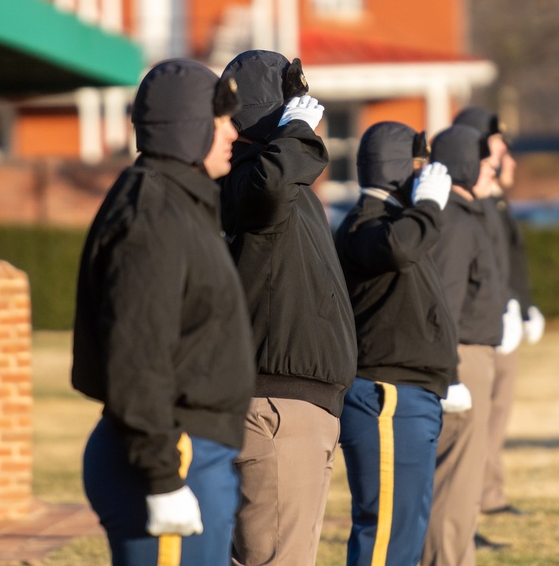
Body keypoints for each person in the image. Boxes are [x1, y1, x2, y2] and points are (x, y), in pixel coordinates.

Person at [72, 58, 255, 566]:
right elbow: (138, 351)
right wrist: (162, 477)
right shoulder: (153, 215)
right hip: (173, 455)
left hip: (192, 451)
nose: (233, 134)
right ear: (189, 126)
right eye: (221, 120)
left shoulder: (178, 202)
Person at [219, 50, 358, 566]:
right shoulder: (251, 178)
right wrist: (293, 133)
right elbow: (268, 188)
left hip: (300, 406)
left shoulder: (278, 181)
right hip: (277, 405)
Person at [333, 121, 461, 566]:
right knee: (386, 535)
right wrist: (426, 207)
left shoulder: (397, 224)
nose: (426, 175)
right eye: (419, 166)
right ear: (398, 169)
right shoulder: (365, 225)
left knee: (405, 531)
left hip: (410, 395)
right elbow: (397, 249)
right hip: (386, 397)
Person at [451, 108, 544, 535]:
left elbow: (510, 259)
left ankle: (486, 497)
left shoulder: (494, 200)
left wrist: (520, 305)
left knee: (493, 417)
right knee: (477, 426)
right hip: (476, 328)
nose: (505, 155)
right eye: (496, 144)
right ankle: (472, 510)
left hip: (494, 319)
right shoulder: (475, 202)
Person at [421, 125, 505, 566]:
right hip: (462, 358)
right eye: (481, 159)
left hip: (475, 353)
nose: (489, 167)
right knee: (454, 481)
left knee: (465, 481)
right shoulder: (454, 220)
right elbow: (446, 302)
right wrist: (449, 373)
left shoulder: (466, 214)